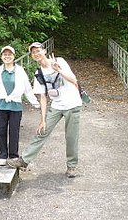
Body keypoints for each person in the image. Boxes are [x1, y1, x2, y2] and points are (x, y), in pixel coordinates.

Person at [7, 42, 82, 177]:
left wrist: (58, 70)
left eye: (38, 51)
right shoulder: (38, 73)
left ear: (44, 51)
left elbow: (74, 80)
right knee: (42, 132)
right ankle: (24, 161)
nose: (36, 54)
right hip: (56, 106)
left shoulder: (59, 61)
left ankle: (71, 167)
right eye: (33, 52)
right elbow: (42, 97)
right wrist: (42, 120)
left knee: (71, 137)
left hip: (72, 104)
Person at [0, 46, 39, 166]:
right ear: (2, 56)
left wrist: (34, 102)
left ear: (14, 57)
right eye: (5, 54)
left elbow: (27, 88)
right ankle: (3, 155)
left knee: (14, 131)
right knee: (0, 131)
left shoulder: (20, 70)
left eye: (10, 54)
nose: (7, 56)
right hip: (0, 105)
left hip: (15, 105)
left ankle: (13, 156)